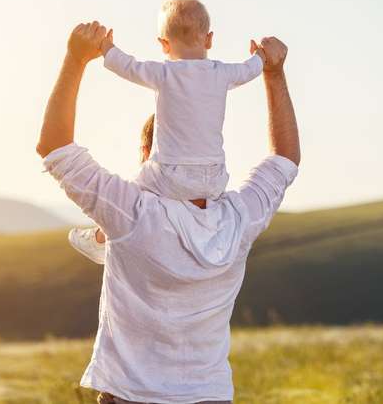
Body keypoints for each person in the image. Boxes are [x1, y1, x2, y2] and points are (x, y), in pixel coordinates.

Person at [37, 21, 300, 403]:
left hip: (131, 396)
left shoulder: (129, 213)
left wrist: (76, 59)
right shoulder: (238, 218)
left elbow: (54, 146)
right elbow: (285, 159)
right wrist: (274, 74)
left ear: (149, 155)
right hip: (209, 395)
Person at [69, 0, 264, 258]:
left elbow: (128, 66)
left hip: (170, 175)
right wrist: (260, 56)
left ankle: (100, 239)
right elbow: (249, 70)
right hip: (214, 178)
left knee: (128, 197)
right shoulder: (223, 73)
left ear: (163, 44)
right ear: (209, 39)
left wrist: (106, 48)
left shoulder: (163, 74)